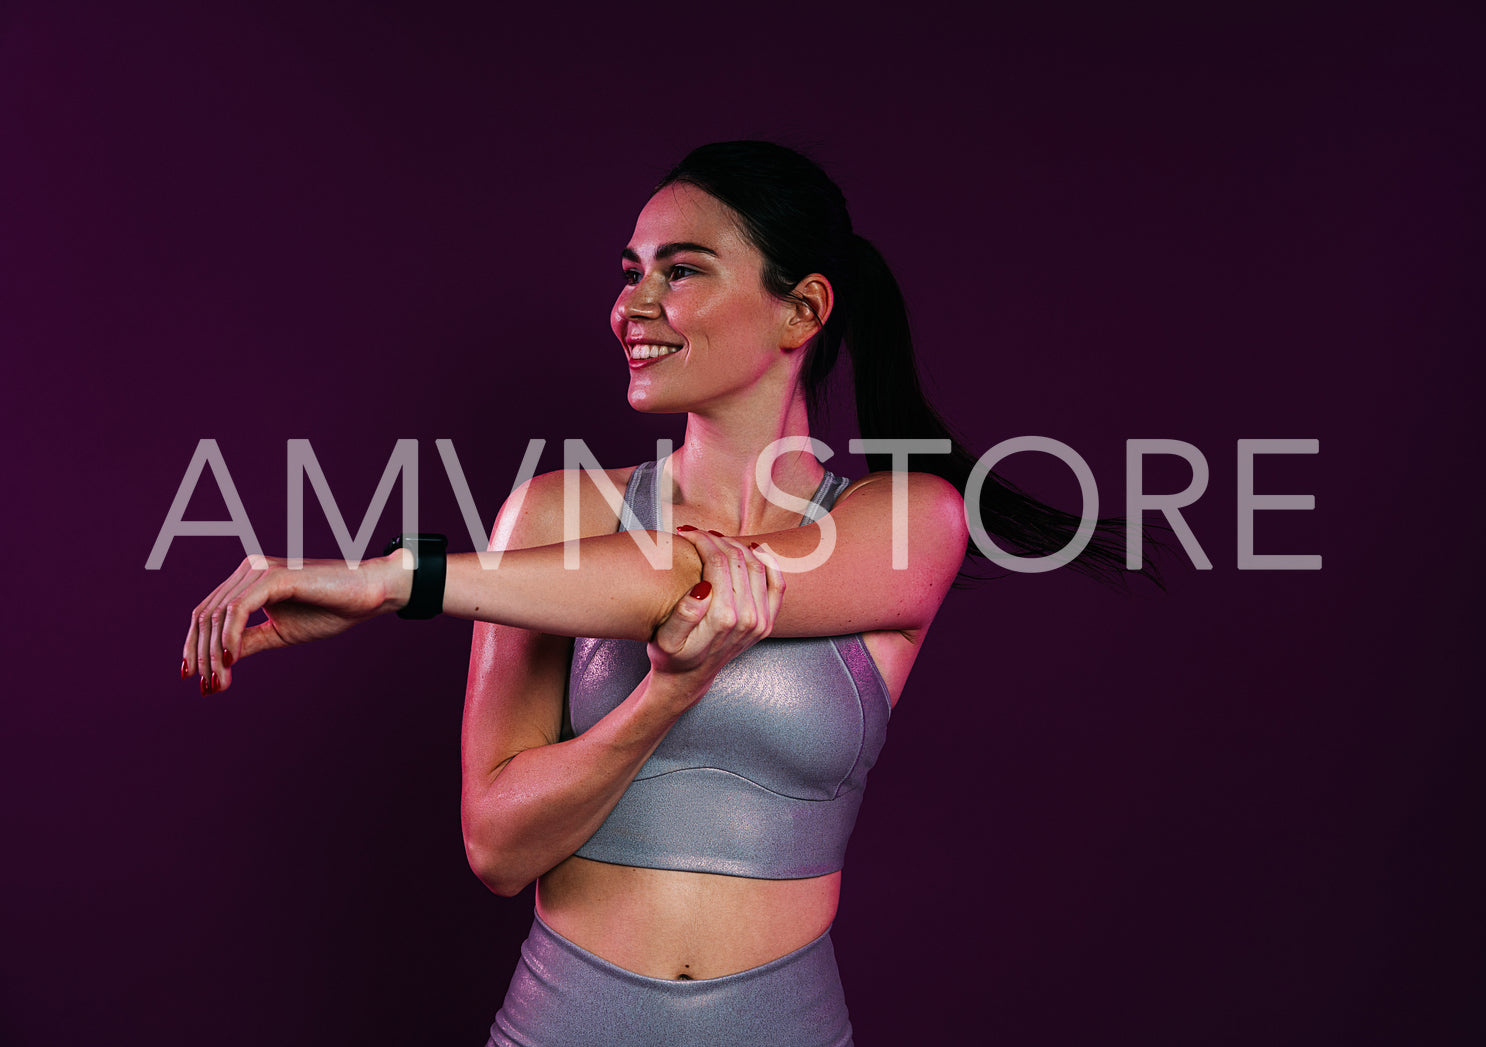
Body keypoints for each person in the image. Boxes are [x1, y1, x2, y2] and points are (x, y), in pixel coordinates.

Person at [181, 141, 1129, 1046]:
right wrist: (662, 696)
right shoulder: (549, 518)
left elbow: (692, 573)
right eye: (629, 271)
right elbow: (497, 850)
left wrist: (398, 577)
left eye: (679, 270)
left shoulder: (910, 519)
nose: (632, 304)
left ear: (801, 311)